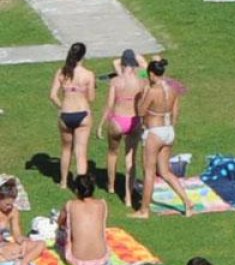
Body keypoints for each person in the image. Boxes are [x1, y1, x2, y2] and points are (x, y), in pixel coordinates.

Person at [131, 59, 191, 218]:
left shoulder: (152, 91)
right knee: (165, 171)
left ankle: (144, 210)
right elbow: (175, 112)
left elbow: (141, 112)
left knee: (149, 172)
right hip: (168, 130)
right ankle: (187, 201)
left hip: (155, 132)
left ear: (151, 74)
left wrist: (140, 98)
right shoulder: (172, 89)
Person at [101, 49, 145, 206]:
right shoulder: (141, 81)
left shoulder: (116, 81)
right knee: (130, 158)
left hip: (118, 120)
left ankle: (111, 186)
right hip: (134, 120)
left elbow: (109, 105)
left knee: (112, 153)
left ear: (122, 63)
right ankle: (128, 196)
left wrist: (100, 125)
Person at [51, 42, 95, 189]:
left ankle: (63, 182)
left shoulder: (62, 72)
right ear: (83, 55)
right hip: (82, 114)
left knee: (65, 149)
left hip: (66, 114)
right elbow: (91, 98)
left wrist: (62, 106)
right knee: (81, 152)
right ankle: (81, 186)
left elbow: (53, 95)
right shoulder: (88, 74)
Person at [57, 174, 109, 265]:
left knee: (62, 235)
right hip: (102, 257)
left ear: (76, 190)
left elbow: (60, 222)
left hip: (77, 259)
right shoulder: (102, 204)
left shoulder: (70, 205)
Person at [0, 179, 46, 265]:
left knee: (41, 244)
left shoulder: (13, 211)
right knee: (7, 251)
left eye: (11, 204)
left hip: (5, 245)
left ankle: (23, 262)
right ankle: (13, 257)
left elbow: (17, 235)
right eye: (7, 204)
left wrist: (24, 241)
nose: (9, 207)